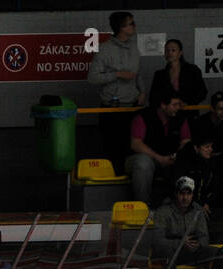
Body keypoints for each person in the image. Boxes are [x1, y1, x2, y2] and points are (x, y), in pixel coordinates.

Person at [87, 11, 144, 159]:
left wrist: (142, 92)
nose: (134, 26)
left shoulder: (134, 47)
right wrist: (117, 75)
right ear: (122, 27)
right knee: (112, 148)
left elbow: (137, 72)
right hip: (112, 108)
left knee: (132, 147)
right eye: (131, 23)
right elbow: (92, 78)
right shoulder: (104, 49)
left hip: (133, 106)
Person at [127, 90, 190, 206]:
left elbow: (186, 142)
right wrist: (159, 158)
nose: (178, 108)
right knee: (143, 162)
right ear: (163, 105)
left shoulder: (180, 118)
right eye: (174, 105)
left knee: (186, 160)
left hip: (170, 159)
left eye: (179, 104)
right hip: (144, 158)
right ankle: (143, 207)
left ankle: (179, 205)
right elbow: (135, 144)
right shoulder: (143, 117)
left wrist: (177, 155)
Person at [150, 176, 216, 269]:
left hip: (190, 252)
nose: (185, 198)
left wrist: (197, 245)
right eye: (182, 193)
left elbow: (204, 237)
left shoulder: (198, 211)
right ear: (176, 194)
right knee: (168, 255)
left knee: (215, 252)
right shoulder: (163, 211)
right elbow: (157, 241)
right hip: (169, 253)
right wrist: (180, 243)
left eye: (189, 194)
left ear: (193, 195)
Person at [149, 38, 206, 107]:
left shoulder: (192, 70)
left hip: (188, 112)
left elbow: (202, 92)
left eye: (173, 50)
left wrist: (187, 103)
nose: (169, 53)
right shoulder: (159, 75)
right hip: (168, 114)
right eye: (167, 50)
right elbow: (153, 97)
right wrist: (166, 105)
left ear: (180, 53)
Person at [192, 91, 223, 160]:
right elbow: (195, 145)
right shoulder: (200, 122)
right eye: (220, 109)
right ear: (212, 108)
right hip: (203, 158)